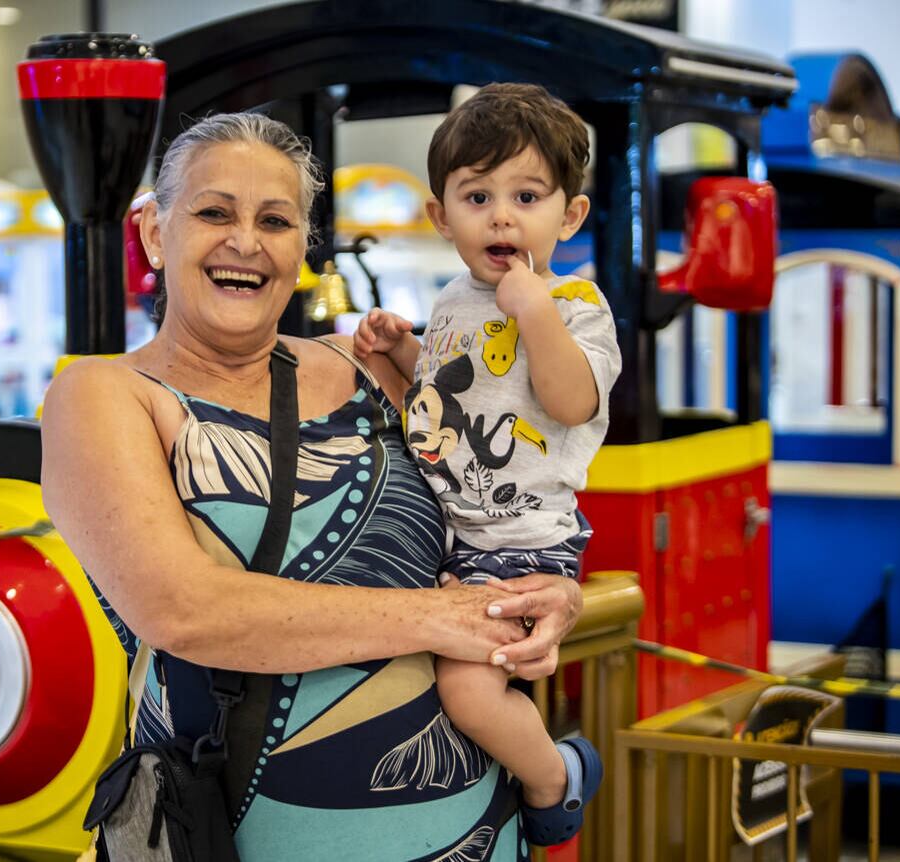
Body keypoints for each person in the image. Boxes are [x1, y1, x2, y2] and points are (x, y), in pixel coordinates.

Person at [41, 110, 588, 861]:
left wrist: (554, 597)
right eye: (212, 212)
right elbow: (185, 610)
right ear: (154, 233)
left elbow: (497, 495)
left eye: (275, 219)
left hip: (475, 831)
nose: (245, 241)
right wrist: (441, 618)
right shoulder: (104, 394)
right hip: (233, 833)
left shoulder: (375, 365)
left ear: (302, 247)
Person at [354, 83, 622, 844]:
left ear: (568, 215)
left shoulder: (576, 305)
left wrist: (531, 306)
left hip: (521, 541)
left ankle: (555, 776)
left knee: (469, 689)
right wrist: (401, 352)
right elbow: (442, 400)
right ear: (441, 217)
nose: (502, 215)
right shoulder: (448, 301)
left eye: (527, 194)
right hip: (450, 532)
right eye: (477, 195)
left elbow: (571, 402)